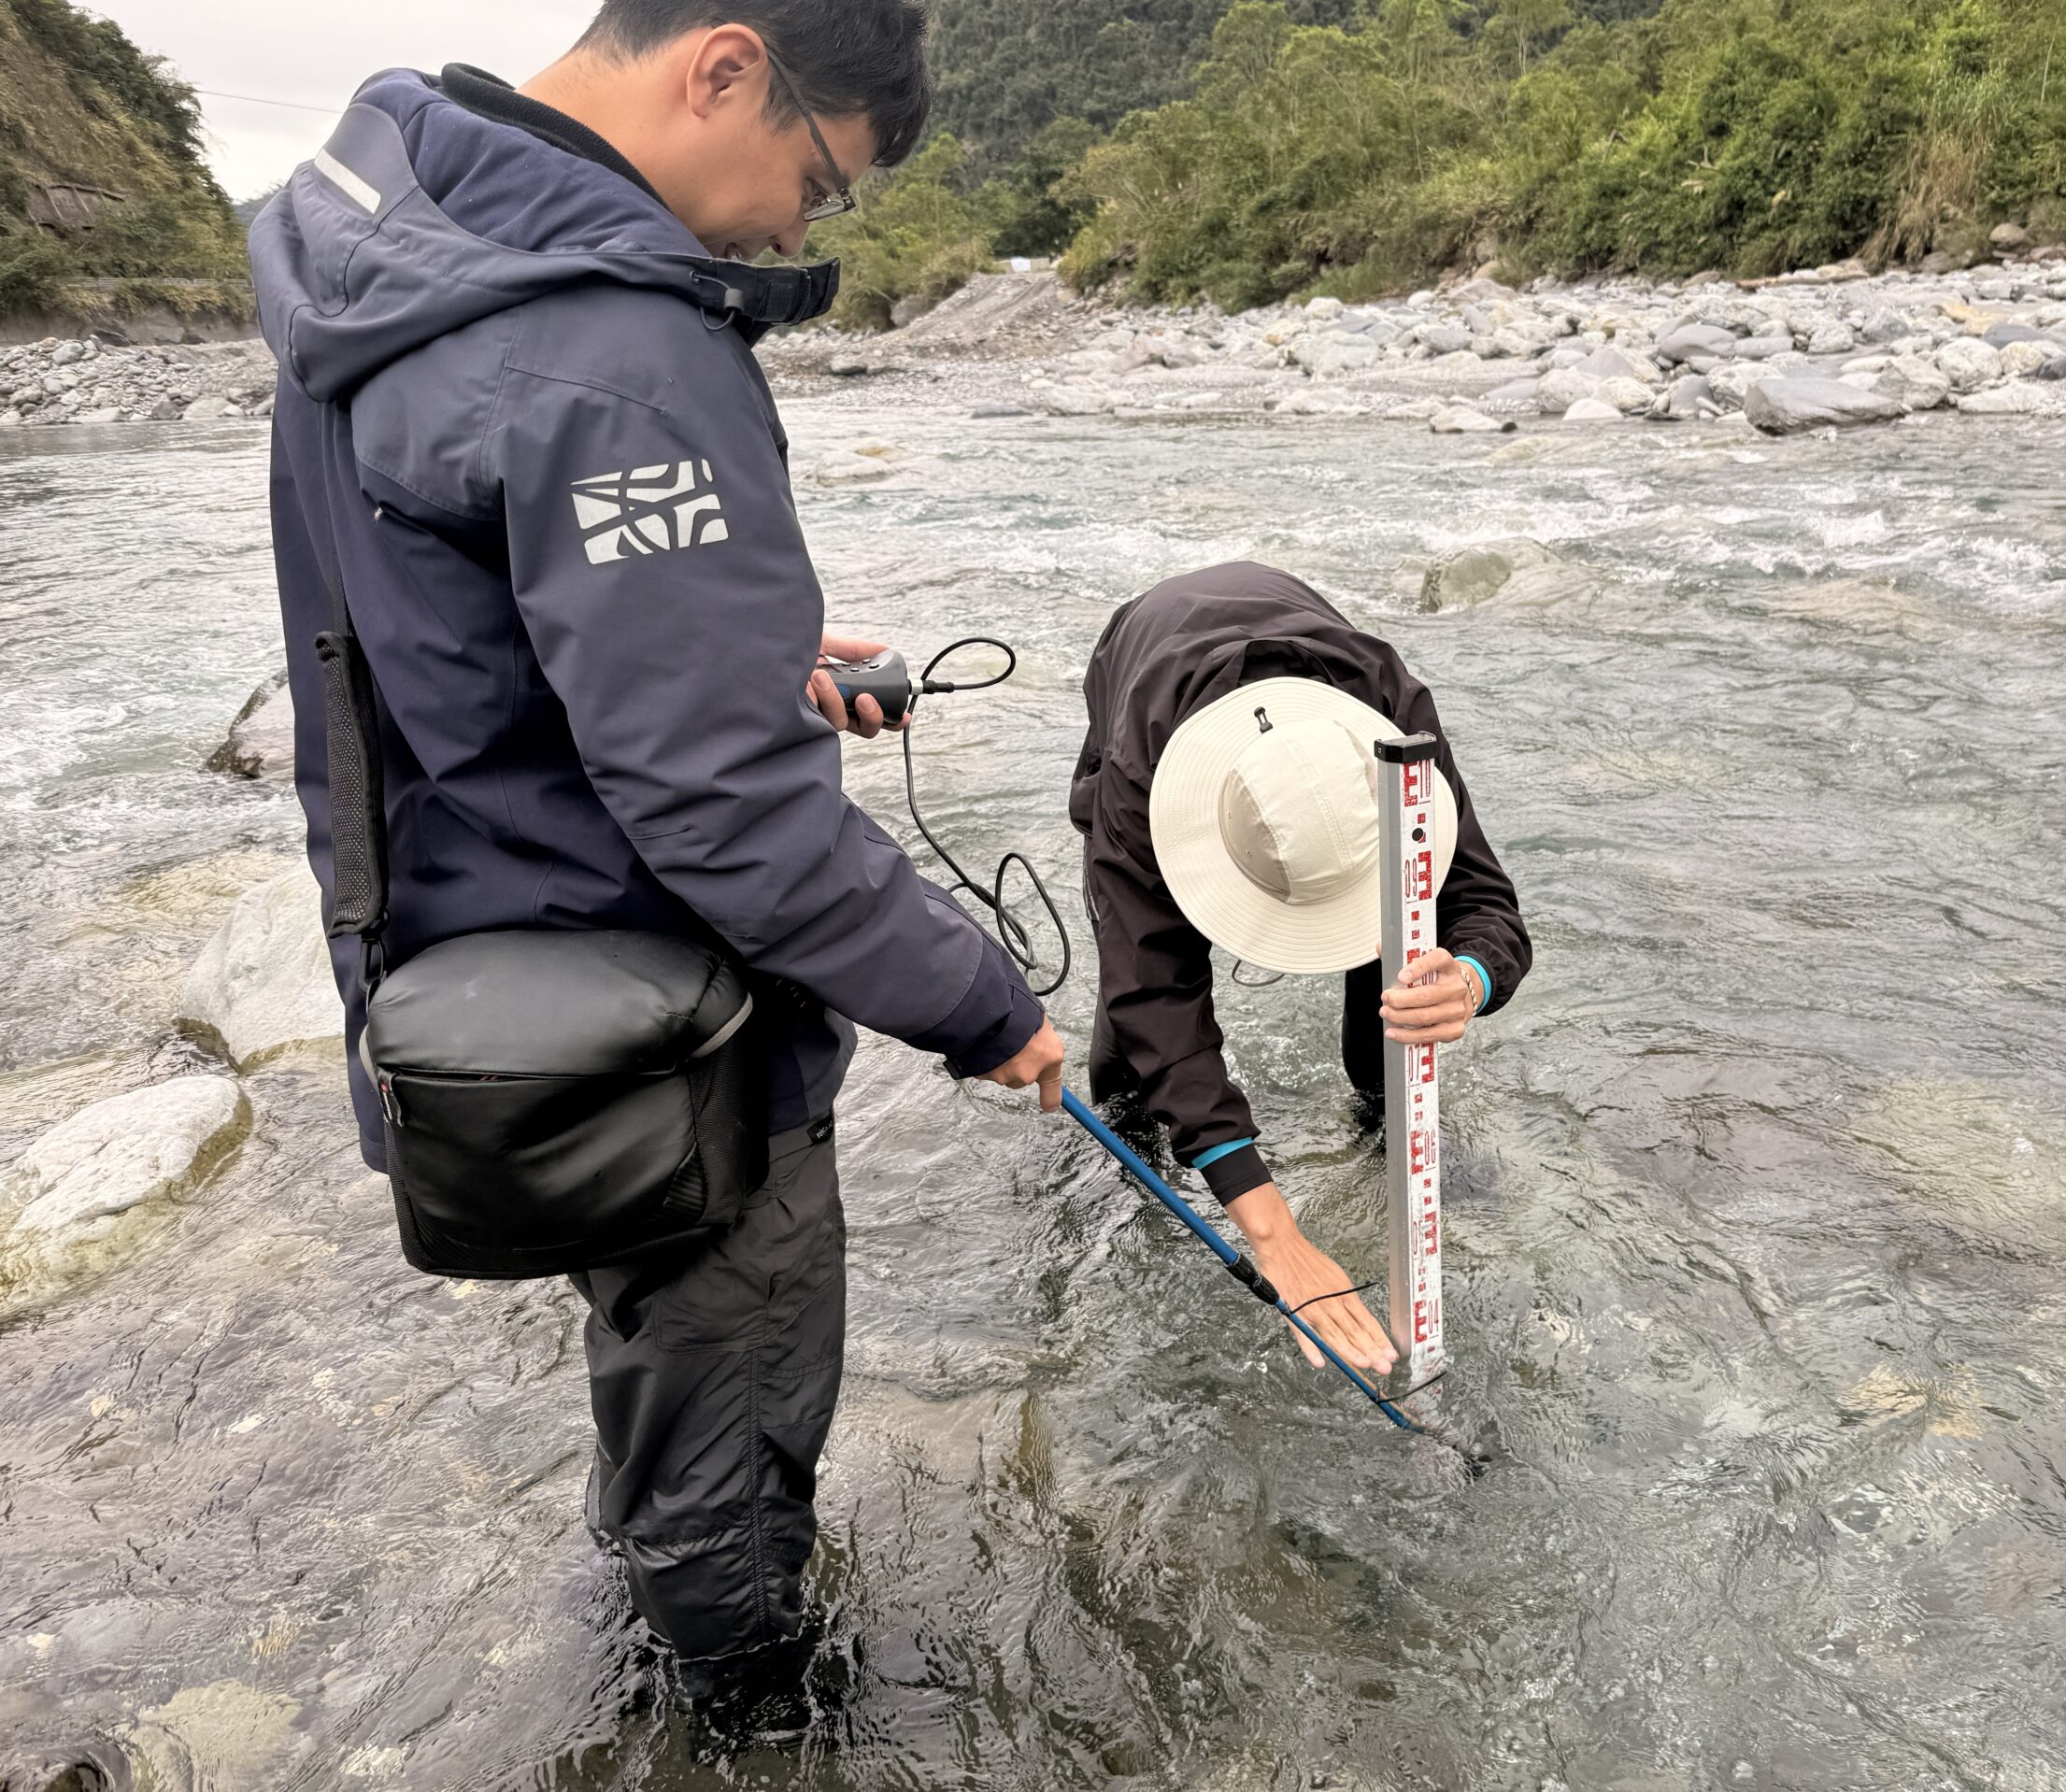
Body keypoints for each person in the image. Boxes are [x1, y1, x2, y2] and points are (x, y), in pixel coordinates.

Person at [247, 0, 1064, 1686]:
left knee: (651, 1350)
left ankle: (649, 1617)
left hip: (474, 964)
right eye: (819, 183)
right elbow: (729, 820)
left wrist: (734, 660)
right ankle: (747, 1705)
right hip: (665, 1027)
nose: (790, 230)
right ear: (722, 67)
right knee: (727, 1394)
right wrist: (985, 1006)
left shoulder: (379, 238)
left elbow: (430, 626)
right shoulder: (613, 349)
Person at [1071, 562, 1532, 1375]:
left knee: (1403, 963)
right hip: (1139, 661)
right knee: (1131, 1044)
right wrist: (1274, 1233)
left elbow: (1487, 901)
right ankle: (1128, 1142)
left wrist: (1469, 978)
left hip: (1306, 646)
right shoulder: (1137, 788)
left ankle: (1379, 1116)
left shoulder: (1392, 723)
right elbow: (1155, 997)